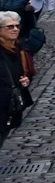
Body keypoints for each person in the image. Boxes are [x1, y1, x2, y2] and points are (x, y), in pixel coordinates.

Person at [0, 11, 30, 149]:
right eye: (10, 27)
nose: (15, 29)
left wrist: (24, 81)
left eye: (17, 26)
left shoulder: (18, 49)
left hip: (9, 105)